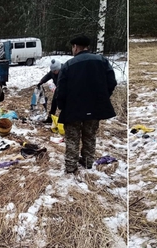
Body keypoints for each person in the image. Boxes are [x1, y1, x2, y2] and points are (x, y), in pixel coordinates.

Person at [56, 34, 117, 174]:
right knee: (90, 135)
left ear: (75, 47)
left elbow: (61, 90)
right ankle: (88, 163)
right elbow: (112, 82)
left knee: (72, 138)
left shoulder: (68, 65)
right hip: (95, 108)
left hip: (73, 109)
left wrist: (62, 106)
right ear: (87, 47)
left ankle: (71, 167)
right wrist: (103, 97)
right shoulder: (102, 61)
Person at [36, 59, 62, 123]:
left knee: (63, 104)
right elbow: (47, 76)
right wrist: (41, 82)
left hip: (65, 89)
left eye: (55, 71)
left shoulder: (64, 71)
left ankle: (64, 119)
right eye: (52, 70)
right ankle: (50, 118)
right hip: (58, 89)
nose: (53, 72)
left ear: (59, 68)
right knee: (54, 103)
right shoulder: (53, 72)